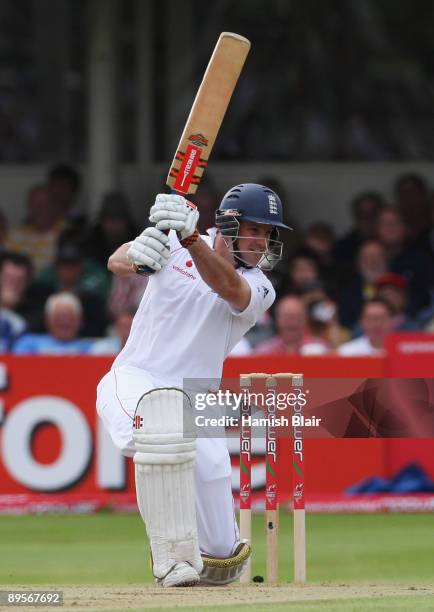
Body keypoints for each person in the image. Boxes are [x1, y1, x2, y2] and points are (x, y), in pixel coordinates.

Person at [96, 183, 290, 587]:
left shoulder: (260, 287)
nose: (262, 242)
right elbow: (115, 259)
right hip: (135, 378)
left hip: (196, 403)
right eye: (254, 230)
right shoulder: (177, 240)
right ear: (230, 225)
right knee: (159, 433)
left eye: (268, 233)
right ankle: (169, 559)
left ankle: (205, 565)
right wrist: (139, 255)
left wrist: (188, 238)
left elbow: (227, 287)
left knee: (221, 554)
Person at [13, 292, 91, 354]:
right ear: (48, 320)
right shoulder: (28, 344)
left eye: (69, 317)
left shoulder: (91, 349)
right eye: (59, 317)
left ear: (80, 321)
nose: (64, 321)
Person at [254, 294, 330, 355]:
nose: (292, 323)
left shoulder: (322, 350)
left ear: (305, 319)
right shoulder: (263, 352)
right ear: (277, 319)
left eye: (297, 317)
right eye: (287, 317)